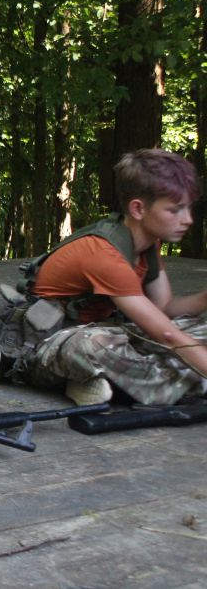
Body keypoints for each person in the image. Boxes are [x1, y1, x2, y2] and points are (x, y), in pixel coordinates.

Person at [21, 148, 207, 406]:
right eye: (175, 210)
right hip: (49, 349)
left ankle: (111, 381)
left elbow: (164, 309)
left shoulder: (147, 244)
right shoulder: (104, 253)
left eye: (188, 208)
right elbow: (167, 335)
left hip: (113, 333)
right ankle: (177, 379)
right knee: (93, 345)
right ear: (138, 209)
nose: (188, 219)